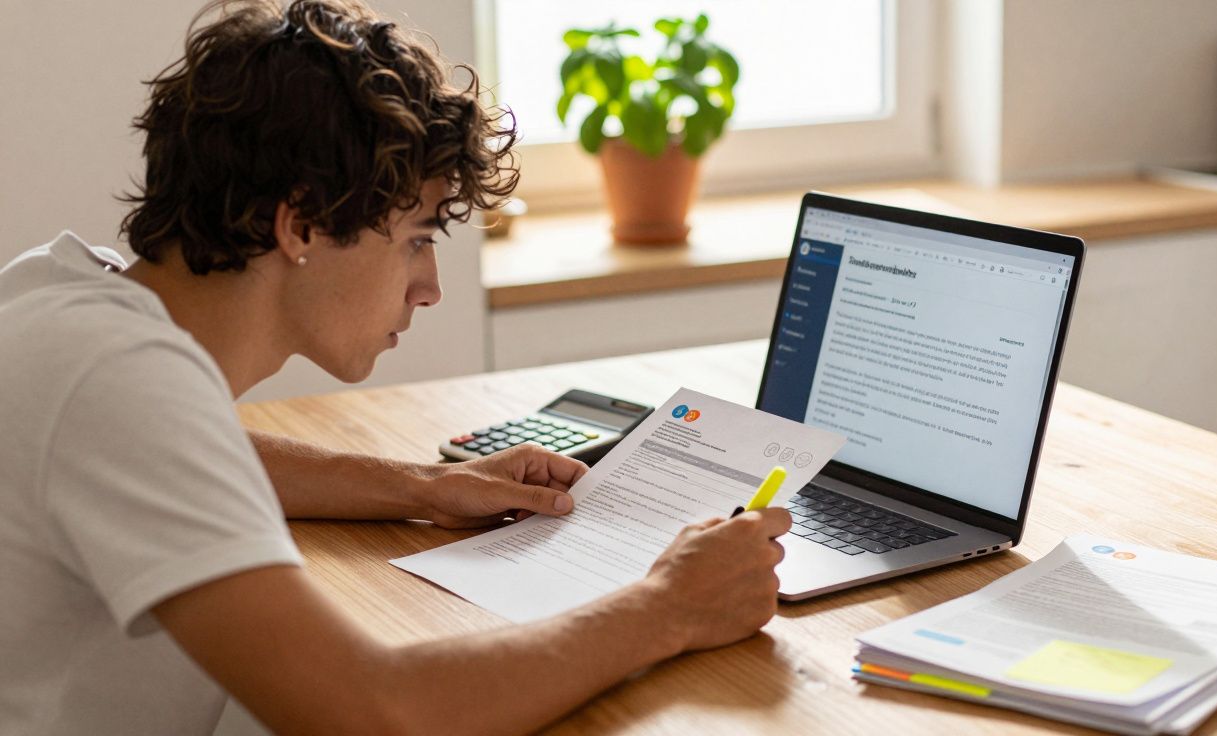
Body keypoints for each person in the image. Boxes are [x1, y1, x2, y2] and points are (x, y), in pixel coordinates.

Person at [0, 1, 792, 733]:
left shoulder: (62, 295)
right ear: (301, 224)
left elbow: (195, 452)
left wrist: (421, 486)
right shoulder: (124, 388)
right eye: (416, 237)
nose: (430, 288)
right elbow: (378, 711)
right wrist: (669, 606)